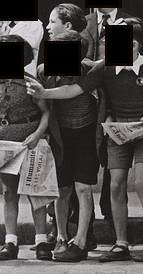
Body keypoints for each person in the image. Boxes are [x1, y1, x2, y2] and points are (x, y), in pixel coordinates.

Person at [27, 19, 143, 262]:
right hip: (117, 133)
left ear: (132, 45)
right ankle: (120, 243)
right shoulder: (104, 68)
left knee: (142, 182)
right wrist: (45, 93)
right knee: (115, 184)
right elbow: (76, 89)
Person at [0, 34, 52, 261]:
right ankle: (10, 242)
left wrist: (37, 135)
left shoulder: (30, 83)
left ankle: (41, 241)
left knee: (35, 192)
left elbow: (47, 112)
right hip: (3, 143)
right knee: (9, 193)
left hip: (30, 142)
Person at [37, 29, 101, 262]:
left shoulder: (90, 69)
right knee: (62, 190)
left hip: (86, 134)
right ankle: (62, 236)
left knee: (84, 188)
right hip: (60, 136)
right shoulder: (44, 72)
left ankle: (81, 240)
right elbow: (41, 107)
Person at [81, 0, 136, 223]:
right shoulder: (82, 23)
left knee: (114, 162)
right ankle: (83, 220)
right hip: (85, 101)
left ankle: (113, 216)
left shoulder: (132, 22)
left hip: (117, 100)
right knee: (87, 157)